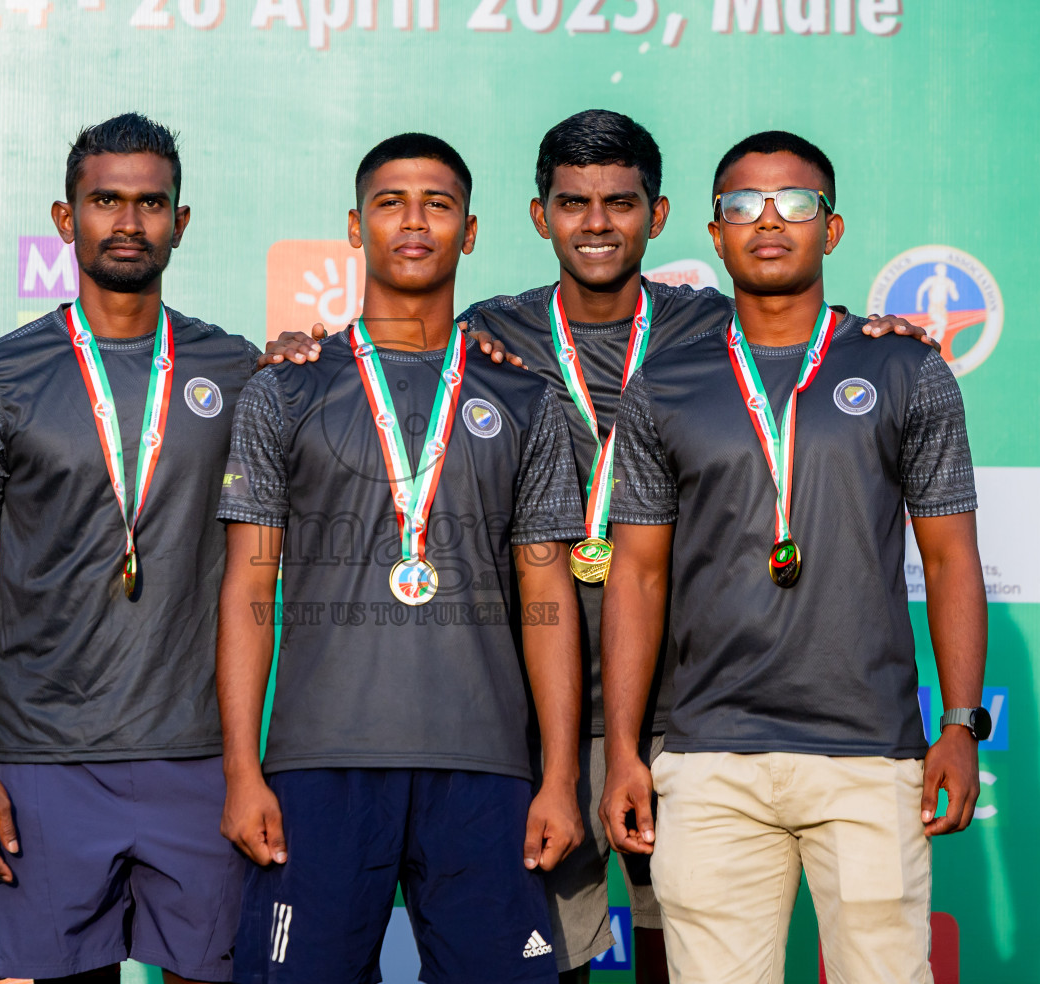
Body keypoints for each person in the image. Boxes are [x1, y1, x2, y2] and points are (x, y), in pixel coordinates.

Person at [263, 109, 935, 983]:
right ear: (540, 216)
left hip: (685, 713)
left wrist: (877, 328)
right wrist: (299, 347)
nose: (596, 223)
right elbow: (382, 353)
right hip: (537, 722)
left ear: (656, 218)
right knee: (555, 953)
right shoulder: (483, 338)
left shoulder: (706, 328)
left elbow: (801, 332)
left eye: (620, 203)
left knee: (686, 946)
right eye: (574, 203)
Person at [599, 130, 988, 984]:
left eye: (795, 204)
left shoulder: (903, 367)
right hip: (708, 761)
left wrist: (959, 725)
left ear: (833, 228)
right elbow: (637, 574)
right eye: (743, 205)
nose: (768, 221)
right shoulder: (665, 384)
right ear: (714, 232)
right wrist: (625, 750)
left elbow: (953, 559)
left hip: (871, 760)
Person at [217, 133, 587, 984]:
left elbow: (548, 589)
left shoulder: (525, 396)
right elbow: (249, 584)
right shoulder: (287, 387)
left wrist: (559, 775)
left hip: (485, 768)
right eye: (391, 203)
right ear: (355, 227)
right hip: (319, 765)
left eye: (438, 204)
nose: (414, 222)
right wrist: (243, 768)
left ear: (472, 231)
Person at [0, 113, 258, 984]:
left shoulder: (237, 371)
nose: (129, 221)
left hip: (200, 758)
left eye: (152, 203)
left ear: (180, 223)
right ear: (65, 217)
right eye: (105, 200)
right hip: (48, 761)